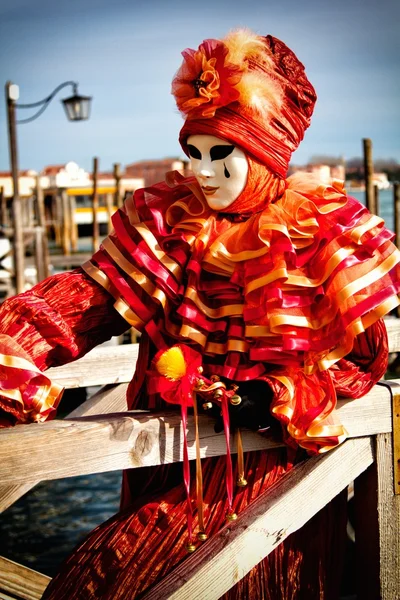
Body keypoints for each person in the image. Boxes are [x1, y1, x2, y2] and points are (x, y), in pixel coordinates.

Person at [1, 29, 399, 599]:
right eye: (194, 152)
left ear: (265, 155)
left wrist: (282, 392)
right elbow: (79, 304)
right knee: (101, 576)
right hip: (172, 465)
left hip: (280, 479)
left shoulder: (318, 236)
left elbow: (363, 360)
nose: (202, 172)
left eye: (222, 154)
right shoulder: (166, 229)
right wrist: (12, 350)